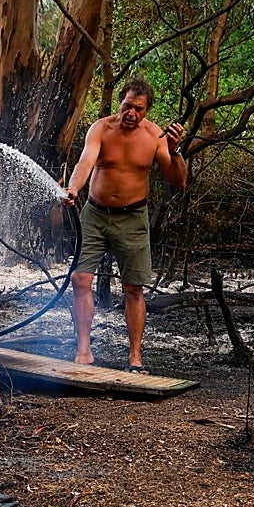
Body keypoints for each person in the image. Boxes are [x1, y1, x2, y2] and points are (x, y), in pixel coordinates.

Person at [63, 76, 187, 372]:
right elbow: (85, 162)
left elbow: (178, 180)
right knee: (80, 280)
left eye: (139, 109)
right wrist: (73, 189)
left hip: (133, 217)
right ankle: (83, 349)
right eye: (127, 105)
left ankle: (134, 356)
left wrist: (175, 150)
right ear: (121, 102)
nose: (131, 113)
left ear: (147, 111)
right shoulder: (101, 129)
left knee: (133, 288)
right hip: (94, 214)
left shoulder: (154, 136)